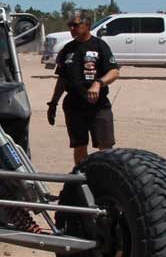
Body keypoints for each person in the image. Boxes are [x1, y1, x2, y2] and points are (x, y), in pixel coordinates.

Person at [46, 14, 121, 165]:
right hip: (74, 106)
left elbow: (114, 72)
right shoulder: (67, 49)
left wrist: (98, 83)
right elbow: (62, 79)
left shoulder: (100, 46)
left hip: (98, 105)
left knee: (105, 146)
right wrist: (53, 103)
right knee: (79, 145)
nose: (72, 28)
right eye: (70, 25)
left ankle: (107, 178)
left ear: (87, 25)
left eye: (76, 25)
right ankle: (82, 178)